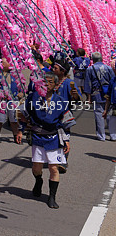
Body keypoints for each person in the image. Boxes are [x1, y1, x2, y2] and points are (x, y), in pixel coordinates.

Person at [17, 71, 70, 208]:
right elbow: (23, 114)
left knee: (54, 168)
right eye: (44, 82)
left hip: (54, 137)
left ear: (56, 85)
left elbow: (65, 122)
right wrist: (20, 130)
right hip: (37, 136)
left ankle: (52, 197)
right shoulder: (33, 97)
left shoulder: (60, 101)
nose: (46, 84)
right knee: (36, 167)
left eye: (50, 82)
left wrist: (67, 139)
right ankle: (38, 180)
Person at [83, 52, 115, 141]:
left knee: (99, 114)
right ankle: (113, 135)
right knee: (109, 114)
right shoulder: (108, 68)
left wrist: (88, 97)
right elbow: (113, 81)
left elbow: (88, 84)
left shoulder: (90, 69)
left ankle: (101, 136)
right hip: (108, 93)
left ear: (93, 59)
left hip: (96, 93)